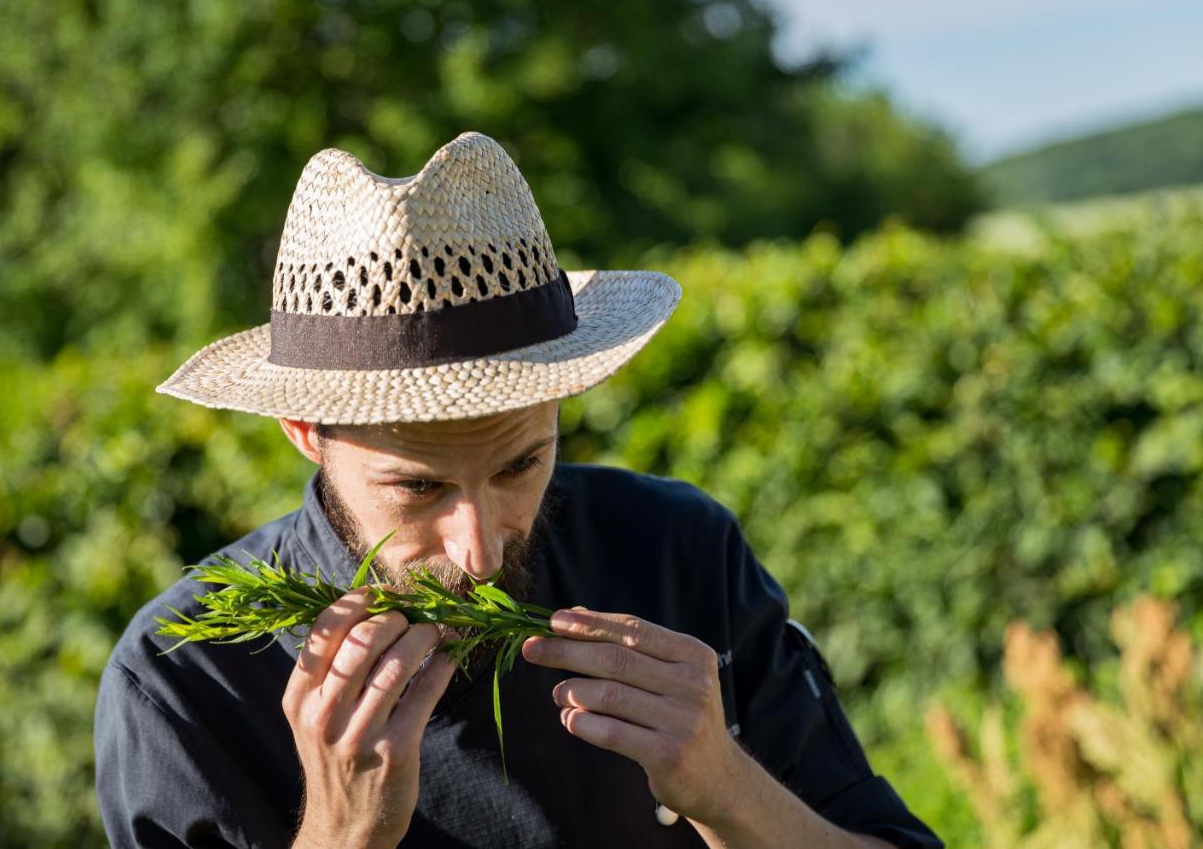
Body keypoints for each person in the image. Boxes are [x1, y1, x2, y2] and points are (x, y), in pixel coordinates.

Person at [94, 132, 942, 848]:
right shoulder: (183, 678)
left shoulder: (677, 552)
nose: (481, 547)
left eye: (518, 466)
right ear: (306, 431)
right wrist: (338, 834)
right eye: (417, 486)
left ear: (560, 397)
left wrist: (727, 788)